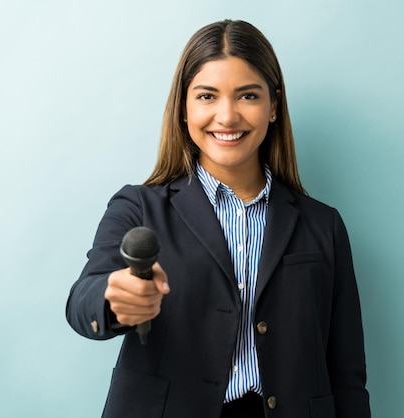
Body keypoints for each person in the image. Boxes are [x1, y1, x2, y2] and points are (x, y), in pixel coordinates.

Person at [66, 19, 370, 418]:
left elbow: (346, 374)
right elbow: (82, 301)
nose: (227, 117)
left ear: (274, 106)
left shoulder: (323, 225)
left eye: (247, 95)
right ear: (184, 108)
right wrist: (114, 298)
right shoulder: (139, 207)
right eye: (207, 96)